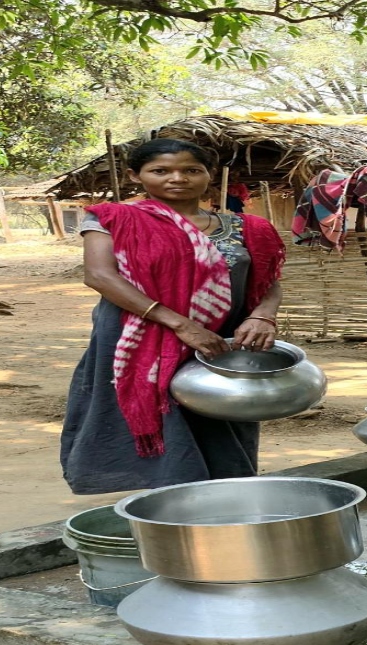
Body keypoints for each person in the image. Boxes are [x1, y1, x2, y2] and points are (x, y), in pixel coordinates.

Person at [60, 138, 286, 495]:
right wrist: (181, 325)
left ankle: (223, 495)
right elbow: (100, 276)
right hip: (141, 337)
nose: (177, 178)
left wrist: (263, 317)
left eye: (191, 170)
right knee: (159, 413)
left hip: (221, 340)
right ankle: (167, 498)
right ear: (136, 175)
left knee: (217, 408)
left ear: (210, 175)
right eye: (160, 171)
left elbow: (267, 282)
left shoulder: (248, 227)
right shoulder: (113, 218)